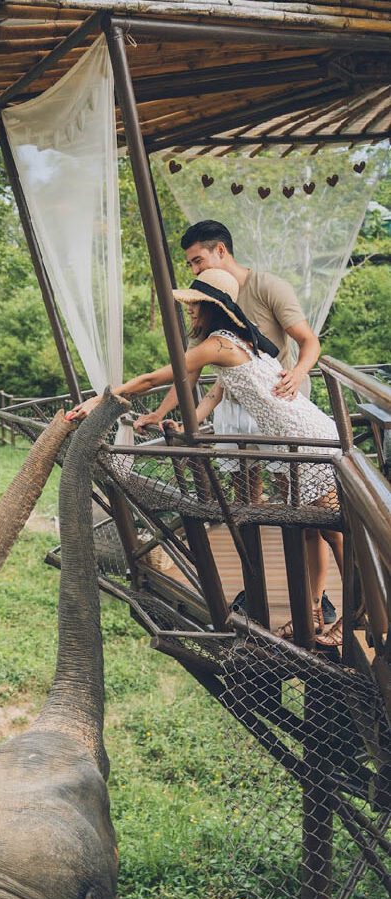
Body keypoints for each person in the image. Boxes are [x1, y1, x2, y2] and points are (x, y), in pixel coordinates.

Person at [67, 268, 344, 647]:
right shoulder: (242, 343)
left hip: (307, 441)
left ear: (213, 307)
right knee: (315, 529)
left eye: (194, 306)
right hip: (295, 441)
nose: (190, 313)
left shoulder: (220, 345)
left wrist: (102, 400)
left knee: (335, 532)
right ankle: (311, 615)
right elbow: (202, 390)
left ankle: (356, 615)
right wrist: (166, 419)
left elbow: (155, 378)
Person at [135, 219, 336, 630]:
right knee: (250, 511)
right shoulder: (212, 313)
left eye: (197, 261)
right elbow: (191, 377)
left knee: (310, 520)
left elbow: (307, 340)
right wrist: (163, 416)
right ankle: (258, 588)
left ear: (220, 252)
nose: (194, 271)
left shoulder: (261, 289)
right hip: (241, 423)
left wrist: (297, 373)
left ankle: (319, 600)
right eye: (190, 265)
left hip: (285, 418)